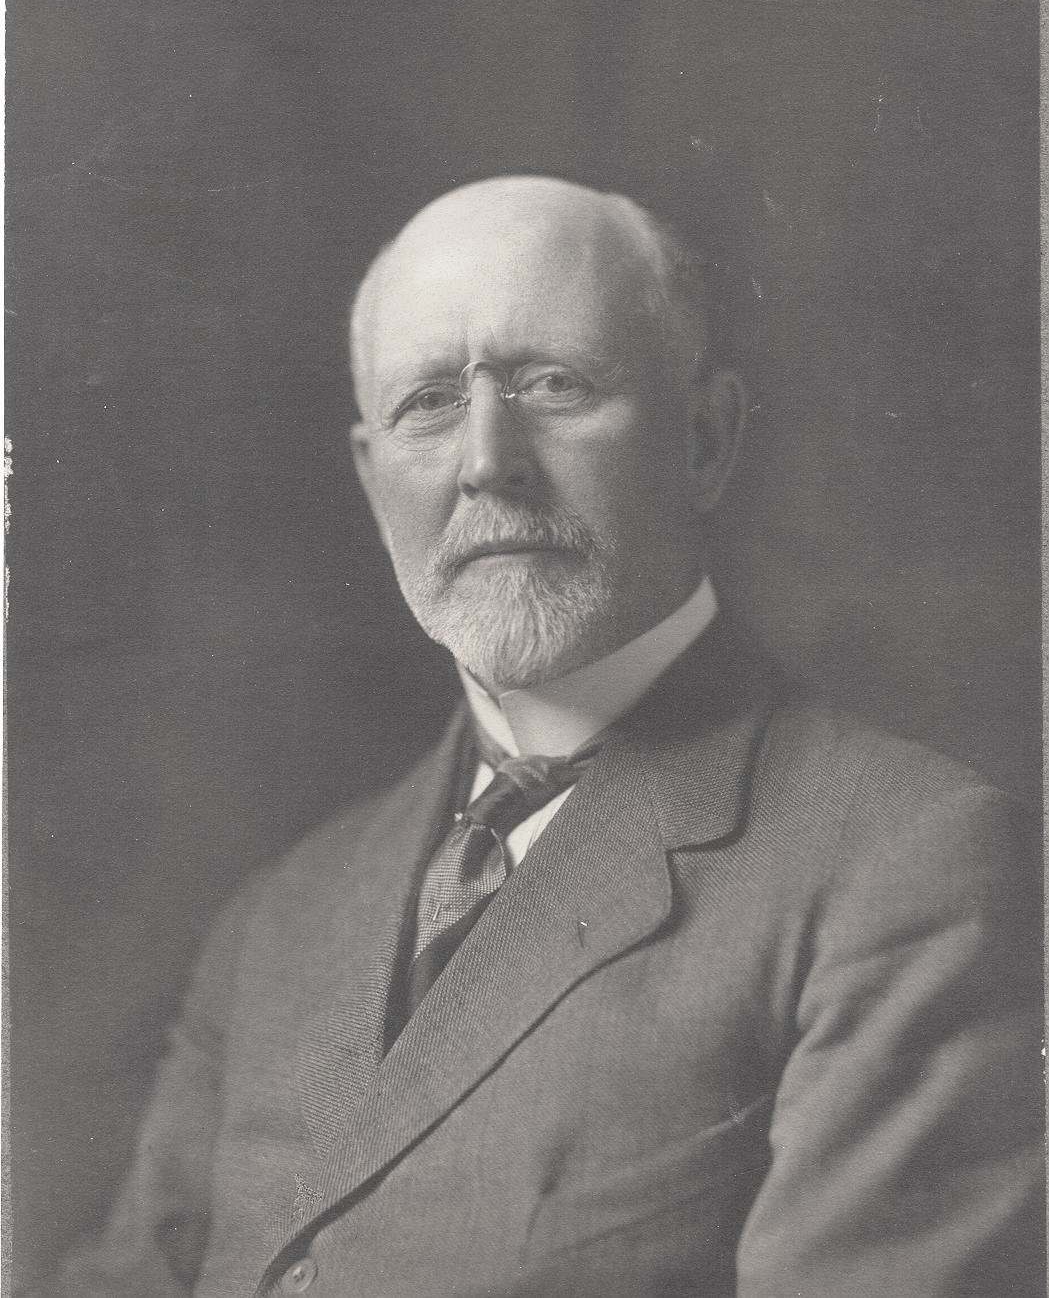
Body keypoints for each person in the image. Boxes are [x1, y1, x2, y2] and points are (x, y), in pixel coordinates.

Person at [55, 177, 1042, 1297]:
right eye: (428, 401)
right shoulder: (280, 914)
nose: (489, 457)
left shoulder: (906, 868)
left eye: (551, 383)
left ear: (706, 438)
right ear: (373, 478)